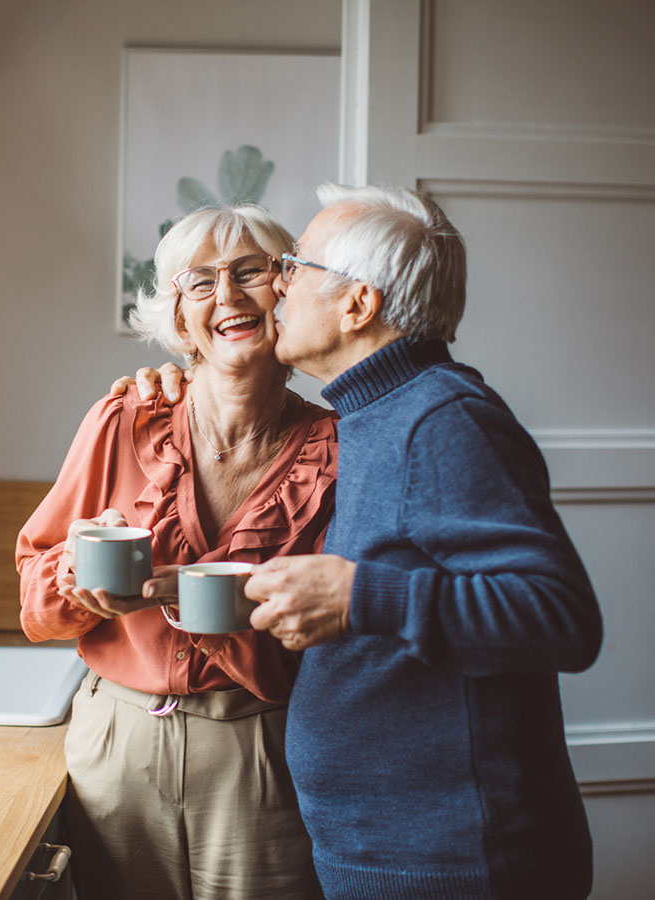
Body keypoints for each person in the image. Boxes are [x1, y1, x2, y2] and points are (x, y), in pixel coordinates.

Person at [136, 183, 603, 899]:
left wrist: (360, 596)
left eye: (295, 268)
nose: (279, 286)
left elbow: (561, 619)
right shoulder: (377, 413)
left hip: (453, 864)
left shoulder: (441, 419)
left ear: (358, 304)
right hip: (396, 850)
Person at [16, 203, 337, 900]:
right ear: (180, 317)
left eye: (251, 272)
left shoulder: (339, 451)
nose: (227, 296)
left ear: (286, 290)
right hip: (118, 743)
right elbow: (33, 600)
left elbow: (341, 638)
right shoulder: (122, 419)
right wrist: (78, 581)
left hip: (261, 747)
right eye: (200, 282)